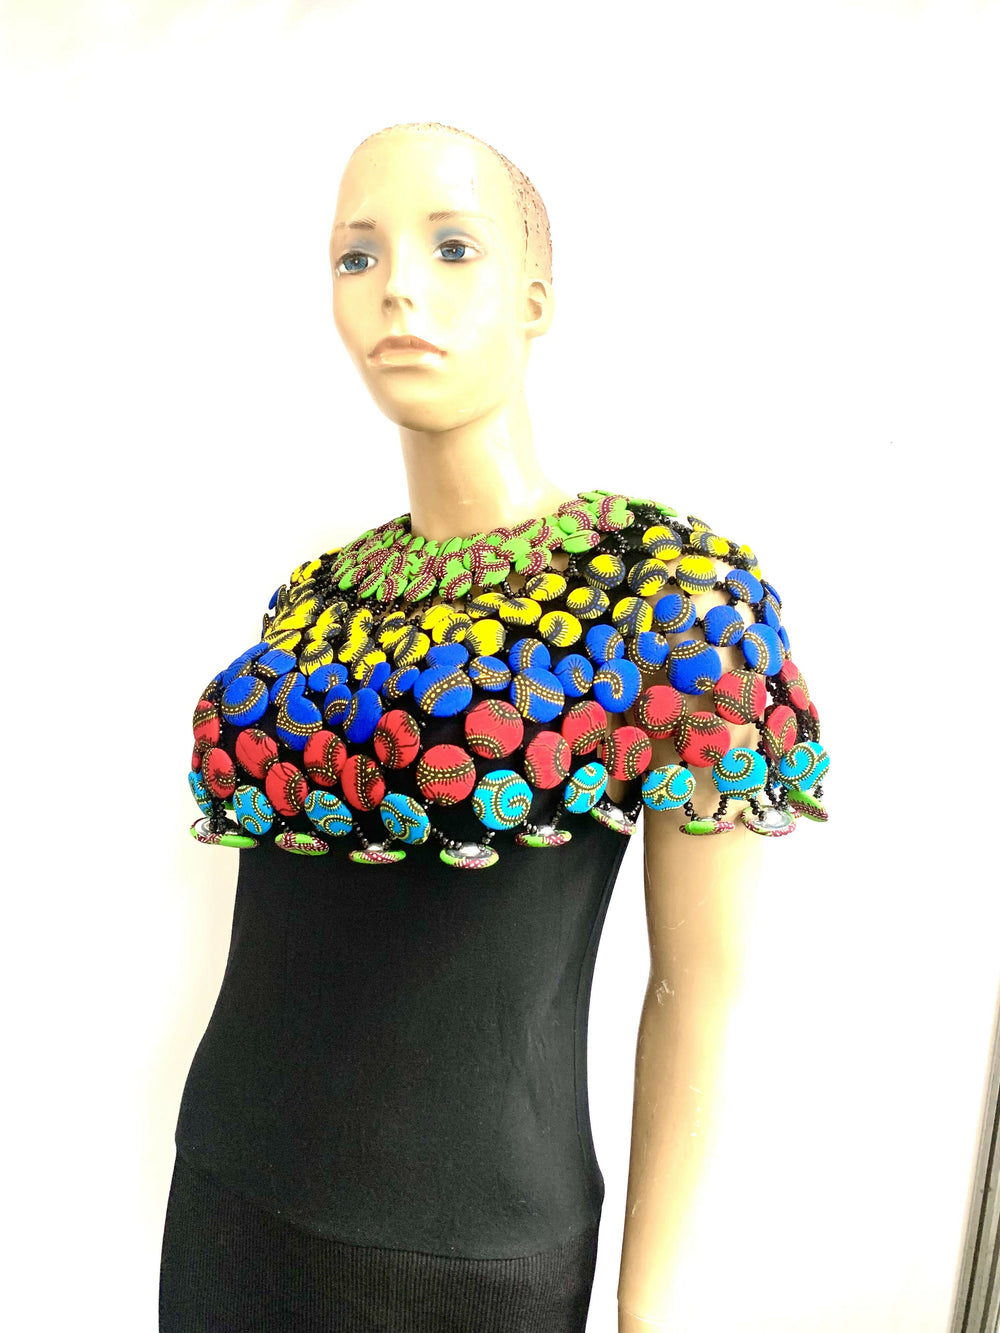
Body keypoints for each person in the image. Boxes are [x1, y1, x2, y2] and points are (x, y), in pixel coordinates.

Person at [160, 120, 829, 1333]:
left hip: (470, 1258)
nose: (396, 288)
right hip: (225, 1198)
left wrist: (652, 1307)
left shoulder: (670, 600)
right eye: (356, 256)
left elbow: (700, 986)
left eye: (452, 247)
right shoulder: (313, 600)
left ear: (535, 300)